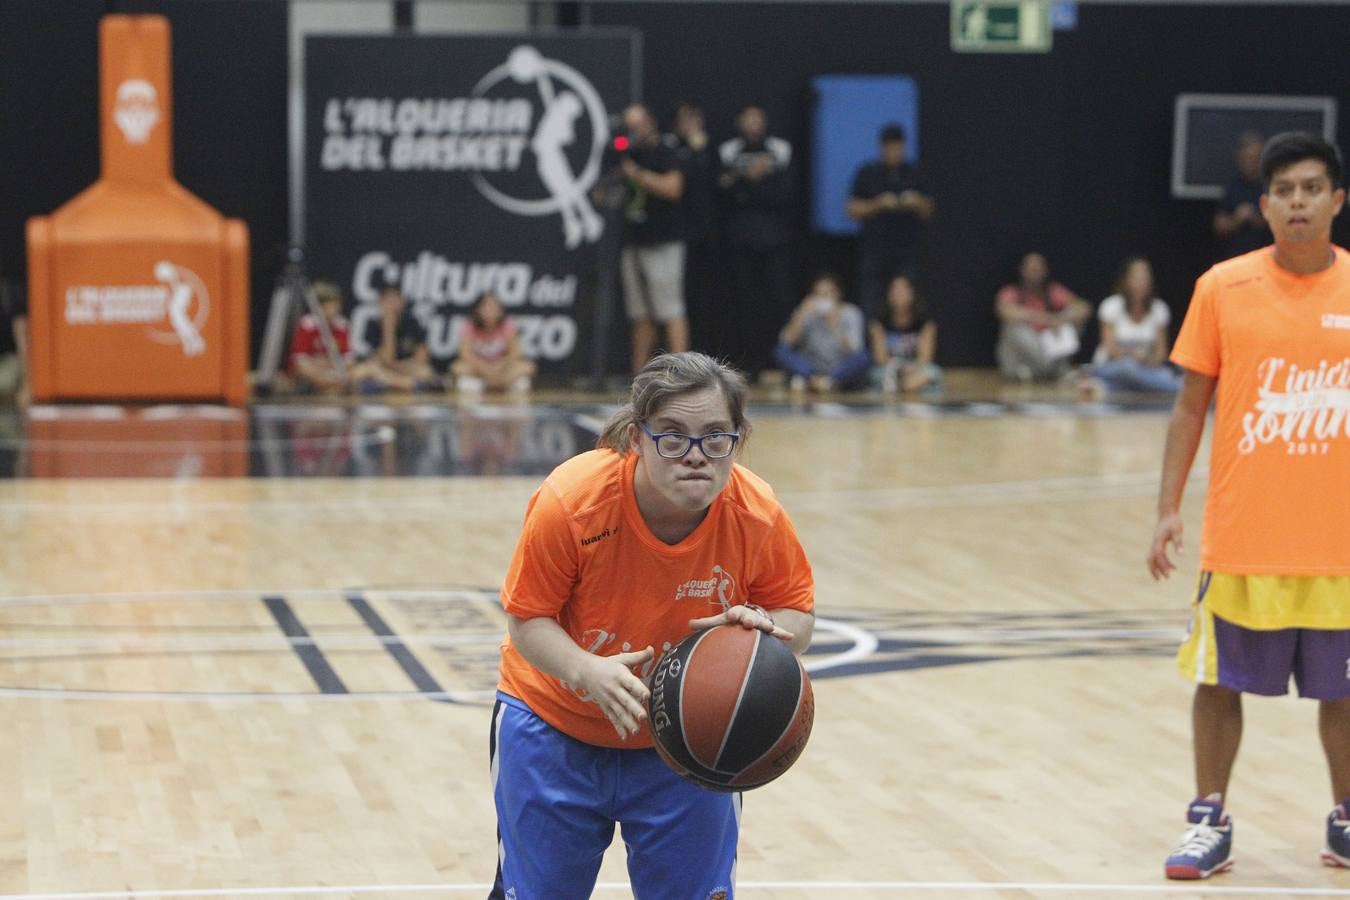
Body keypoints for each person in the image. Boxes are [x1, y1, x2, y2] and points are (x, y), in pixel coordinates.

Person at [489, 351, 815, 898]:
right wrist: (585, 670)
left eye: (716, 436)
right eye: (671, 435)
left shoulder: (756, 512)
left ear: (738, 438)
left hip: (690, 749)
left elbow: (797, 616)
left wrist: (761, 627)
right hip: (553, 728)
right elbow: (528, 619)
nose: (695, 455)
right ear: (636, 439)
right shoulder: (572, 502)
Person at [1147, 132, 1350, 881]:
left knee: (1346, 690)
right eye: (1284, 191)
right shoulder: (1222, 287)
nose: (1298, 202)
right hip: (1242, 539)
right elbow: (1189, 406)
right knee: (1218, 681)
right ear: (1264, 206)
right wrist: (1168, 508)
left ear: (1337, 200)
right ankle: (1208, 817)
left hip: (1340, 544)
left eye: (1311, 188)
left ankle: (1347, 818)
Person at [719, 103, 796, 372]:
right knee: (743, 303)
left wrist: (751, 189)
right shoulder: (728, 151)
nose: (753, 124)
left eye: (758, 119)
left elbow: (784, 194)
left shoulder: (780, 150)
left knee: (777, 301)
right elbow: (725, 194)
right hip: (741, 242)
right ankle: (746, 364)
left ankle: (782, 362)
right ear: (740, 122)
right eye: (748, 119)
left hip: (774, 241)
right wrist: (749, 180)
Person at [619, 101, 689, 375]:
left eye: (637, 124)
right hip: (634, 239)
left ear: (650, 123)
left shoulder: (666, 151)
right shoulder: (626, 152)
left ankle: (685, 374)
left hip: (664, 240)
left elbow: (674, 187)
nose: (633, 131)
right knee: (640, 314)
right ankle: (639, 377)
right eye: (629, 126)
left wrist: (637, 175)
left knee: (669, 308)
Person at [847, 123, 935, 322]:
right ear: (882, 147)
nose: (895, 152)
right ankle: (872, 349)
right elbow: (851, 209)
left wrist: (916, 201)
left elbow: (929, 210)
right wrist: (878, 204)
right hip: (874, 251)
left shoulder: (915, 172)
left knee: (907, 303)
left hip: (906, 252)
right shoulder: (867, 173)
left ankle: (906, 348)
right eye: (890, 148)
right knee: (871, 304)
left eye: (899, 148)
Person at [1076, 256, 1180, 398]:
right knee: (1129, 369)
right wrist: (1133, 357)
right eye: (1137, 277)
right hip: (1113, 366)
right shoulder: (1111, 306)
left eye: (1146, 276)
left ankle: (1106, 388)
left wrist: (1146, 360)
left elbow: (1161, 353)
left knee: (1161, 373)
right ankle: (1178, 388)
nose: (1142, 281)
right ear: (1126, 280)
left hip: (1147, 368)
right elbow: (1110, 350)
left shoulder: (1159, 309)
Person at [668, 101, 720, 357]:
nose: (688, 125)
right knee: (678, 299)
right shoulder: (672, 149)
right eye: (683, 120)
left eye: (693, 119)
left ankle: (704, 353)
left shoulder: (710, 150)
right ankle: (679, 357)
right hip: (679, 234)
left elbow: (716, 184)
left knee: (706, 297)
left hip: (707, 234)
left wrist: (700, 150)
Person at [994, 252, 1091, 382]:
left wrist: (1061, 320)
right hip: (1026, 352)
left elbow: (1083, 308)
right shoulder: (1011, 292)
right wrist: (1048, 319)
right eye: (1031, 269)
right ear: (1022, 271)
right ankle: (1029, 370)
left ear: (1045, 271)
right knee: (1013, 327)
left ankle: (1056, 370)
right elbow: (1004, 311)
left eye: (1038, 269)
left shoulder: (1053, 291)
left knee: (1074, 322)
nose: (1035, 273)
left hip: (1049, 344)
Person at [774, 272, 871, 393]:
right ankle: (812, 379)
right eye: (818, 294)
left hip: (839, 368)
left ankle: (827, 382)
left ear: (837, 293)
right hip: (811, 366)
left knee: (864, 357)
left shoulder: (851, 313)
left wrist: (835, 326)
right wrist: (801, 315)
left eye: (827, 293)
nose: (823, 298)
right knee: (780, 351)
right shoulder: (806, 312)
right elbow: (786, 341)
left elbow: (855, 350)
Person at [347, 283, 438, 393]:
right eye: (387, 300)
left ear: (402, 301)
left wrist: (396, 366)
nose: (391, 304)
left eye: (395, 299)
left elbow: (422, 358)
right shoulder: (373, 325)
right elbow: (386, 358)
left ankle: (390, 384)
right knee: (362, 371)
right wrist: (388, 329)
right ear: (381, 302)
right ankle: (406, 384)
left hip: (402, 369)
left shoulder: (412, 323)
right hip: (384, 370)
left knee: (426, 371)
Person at [449, 291, 536, 395]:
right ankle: (494, 385)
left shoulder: (508, 324)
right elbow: (465, 354)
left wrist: (500, 366)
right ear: (477, 310)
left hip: (502, 369)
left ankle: (493, 384)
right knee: (458, 368)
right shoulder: (469, 325)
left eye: (494, 307)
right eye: (485, 307)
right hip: (479, 370)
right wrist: (486, 369)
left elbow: (515, 353)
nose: (490, 310)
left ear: (500, 310)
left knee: (527, 367)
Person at [869, 274, 940, 394]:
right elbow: (880, 357)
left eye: (903, 289)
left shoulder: (925, 323)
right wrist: (899, 369)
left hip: (916, 368)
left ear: (912, 293)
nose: (899, 293)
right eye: (895, 289)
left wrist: (912, 368)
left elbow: (926, 357)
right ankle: (907, 386)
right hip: (891, 369)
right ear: (888, 294)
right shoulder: (878, 323)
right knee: (874, 374)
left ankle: (904, 386)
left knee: (934, 372)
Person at [1213, 131, 1271, 261]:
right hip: (1235, 257)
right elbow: (1219, 225)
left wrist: (1258, 218)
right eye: (1248, 158)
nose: (1252, 163)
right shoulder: (1233, 186)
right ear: (1240, 158)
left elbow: (1283, 223)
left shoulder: (1273, 186)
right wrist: (1237, 219)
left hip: (1266, 258)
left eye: (1256, 158)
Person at [286, 280, 351, 394]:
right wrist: (320, 365)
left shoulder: (342, 324)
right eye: (330, 306)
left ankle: (333, 385)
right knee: (306, 371)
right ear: (320, 307)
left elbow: (348, 359)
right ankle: (331, 385)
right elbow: (300, 361)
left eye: (337, 305)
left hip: (335, 371)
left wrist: (328, 364)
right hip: (313, 372)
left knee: (364, 370)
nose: (335, 310)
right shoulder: (307, 324)